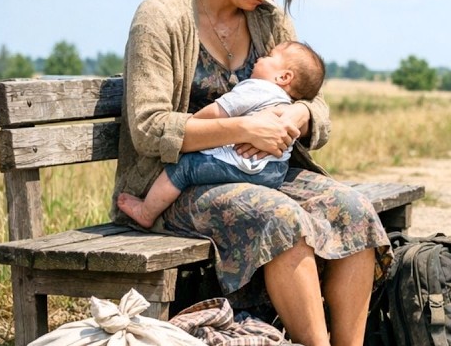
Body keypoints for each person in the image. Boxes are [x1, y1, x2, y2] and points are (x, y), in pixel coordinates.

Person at [112, 0, 418, 346]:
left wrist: (299, 112)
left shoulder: (270, 21)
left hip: (259, 173)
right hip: (184, 180)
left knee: (352, 207)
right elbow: (149, 126)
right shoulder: (161, 17)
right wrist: (242, 129)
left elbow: (314, 101)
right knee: (277, 216)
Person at [116, 40, 325, 230]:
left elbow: (217, 112)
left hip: (244, 167)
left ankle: (146, 212)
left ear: (284, 76)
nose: (260, 57)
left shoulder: (256, 88)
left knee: (184, 167)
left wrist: (192, 123)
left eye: (269, 56)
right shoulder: (285, 101)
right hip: (274, 172)